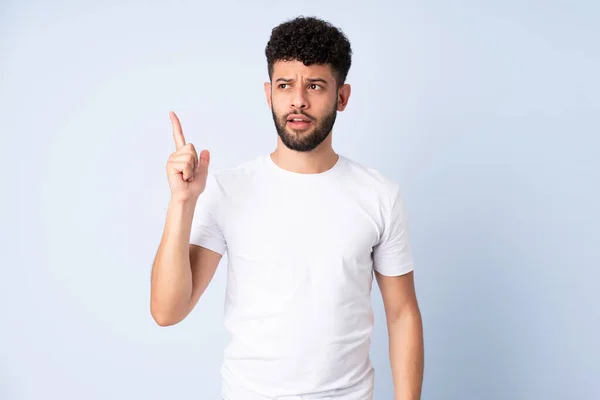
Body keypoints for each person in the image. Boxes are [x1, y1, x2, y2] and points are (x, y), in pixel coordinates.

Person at [150, 15, 424, 400]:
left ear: (341, 97)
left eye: (315, 85)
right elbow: (167, 311)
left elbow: (402, 314)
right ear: (268, 94)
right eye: (285, 85)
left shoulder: (379, 195)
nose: (298, 100)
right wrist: (182, 203)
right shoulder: (228, 190)